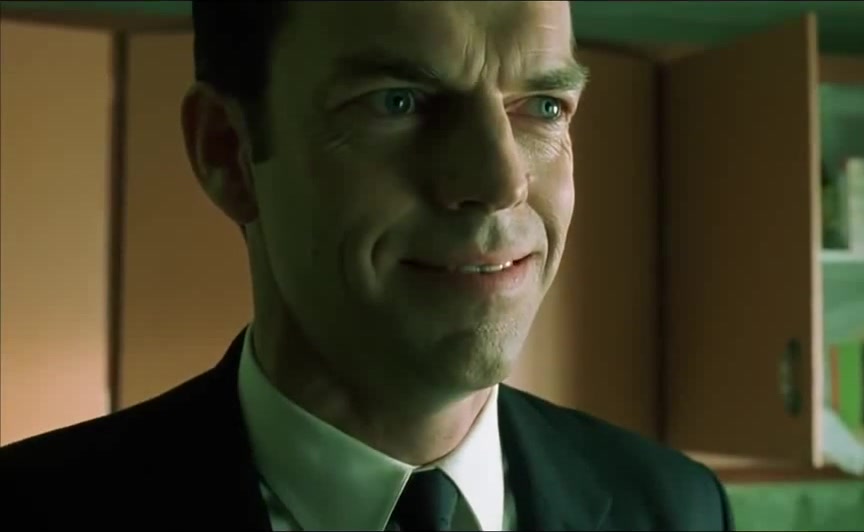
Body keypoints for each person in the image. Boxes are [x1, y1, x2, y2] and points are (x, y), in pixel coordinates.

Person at [0, 2, 735, 530]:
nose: (501, 180)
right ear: (228, 152)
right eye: (400, 102)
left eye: (543, 106)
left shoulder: (675, 508)